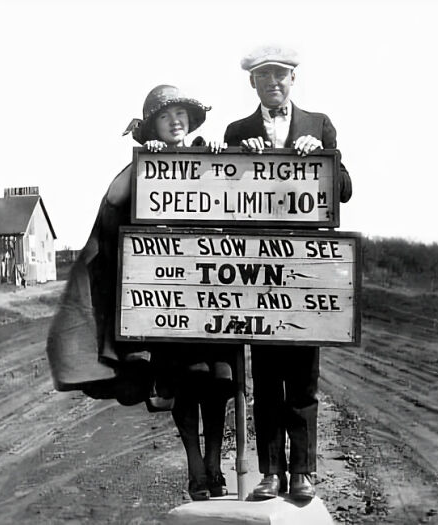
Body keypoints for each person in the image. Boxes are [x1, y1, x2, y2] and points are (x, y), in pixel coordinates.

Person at [47, 84, 234, 501]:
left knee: (220, 380)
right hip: (168, 294)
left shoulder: (210, 153)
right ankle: (196, 470)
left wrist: (219, 154)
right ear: (152, 125)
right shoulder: (142, 167)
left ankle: (219, 463)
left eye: (181, 114)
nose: (176, 122)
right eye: (166, 116)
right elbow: (112, 201)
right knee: (189, 379)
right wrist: (144, 161)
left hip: (212, 289)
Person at [224, 44, 353, 501]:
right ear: (253, 84)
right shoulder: (238, 130)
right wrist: (242, 156)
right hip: (257, 275)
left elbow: (345, 190)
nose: (273, 84)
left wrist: (323, 156)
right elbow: (223, 195)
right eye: (264, 77)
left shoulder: (319, 124)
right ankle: (271, 472)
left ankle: (302, 472)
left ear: (292, 80)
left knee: (303, 380)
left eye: (280, 76)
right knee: (267, 379)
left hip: (306, 271)